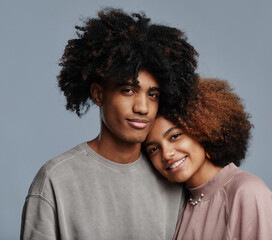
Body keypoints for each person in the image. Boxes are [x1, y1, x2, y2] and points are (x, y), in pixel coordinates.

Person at [21, 8, 198, 239]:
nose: (142, 107)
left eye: (152, 94)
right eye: (128, 90)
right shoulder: (55, 180)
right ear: (98, 94)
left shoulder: (170, 176)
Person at [144, 78, 272, 240]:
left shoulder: (247, 192)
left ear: (202, 129)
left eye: (175, 136)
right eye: (154, 149)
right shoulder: (180, 203)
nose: (166, 154)